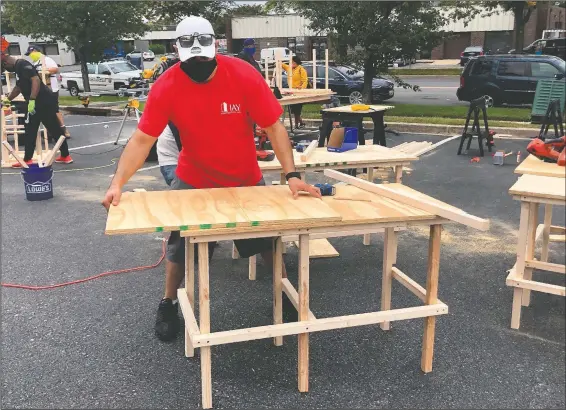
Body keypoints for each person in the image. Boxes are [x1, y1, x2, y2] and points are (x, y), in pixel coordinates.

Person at [102, 16, 321, 342]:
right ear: (177, 50)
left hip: (244, 177)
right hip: (194, 177)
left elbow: (274, 125)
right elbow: (141, 140)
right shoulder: (168, 85)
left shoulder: (243, 74)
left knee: (268, 239)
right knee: (180, 246)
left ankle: (284, 294)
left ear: (215, 47)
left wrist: (291, 175)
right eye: (192, 59)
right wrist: (117, 184)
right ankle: (169, 302)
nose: (199, 64)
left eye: (205, 56)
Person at [1, 53, 73, 167]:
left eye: (5, 68)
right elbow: (19, 87)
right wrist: (8, 99)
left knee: (30, 129)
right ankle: (65, 155)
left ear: (6, 63)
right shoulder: (19, 69)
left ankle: (27, 160)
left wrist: (32, 99)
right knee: (53, 128)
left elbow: (36, 80)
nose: (6, 70)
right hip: (44, 102)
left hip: (40, 102)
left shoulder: (23, 65)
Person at [25, 46, 71, 139]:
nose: (30, 56)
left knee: (55, 110)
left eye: (30, 53)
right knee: (45, 110)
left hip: (51, 88)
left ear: (35, 51)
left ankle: (63, 129)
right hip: (41, 90)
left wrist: (45, 71)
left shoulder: (46, 60)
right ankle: (51, 131)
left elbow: (55, 69)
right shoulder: (35, 63)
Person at [282, 56, 308, 128]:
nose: (291, 63)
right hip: (291, 91)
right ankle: (301, 122)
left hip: (298, 92)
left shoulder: (301, 69)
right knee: (294, 110)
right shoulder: (289, 68)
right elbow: (283, 65)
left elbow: (305, 80)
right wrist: (277, 62)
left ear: (295, 62)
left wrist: (302, 88)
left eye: (292, 62)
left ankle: (296, 125)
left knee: (297, 109)